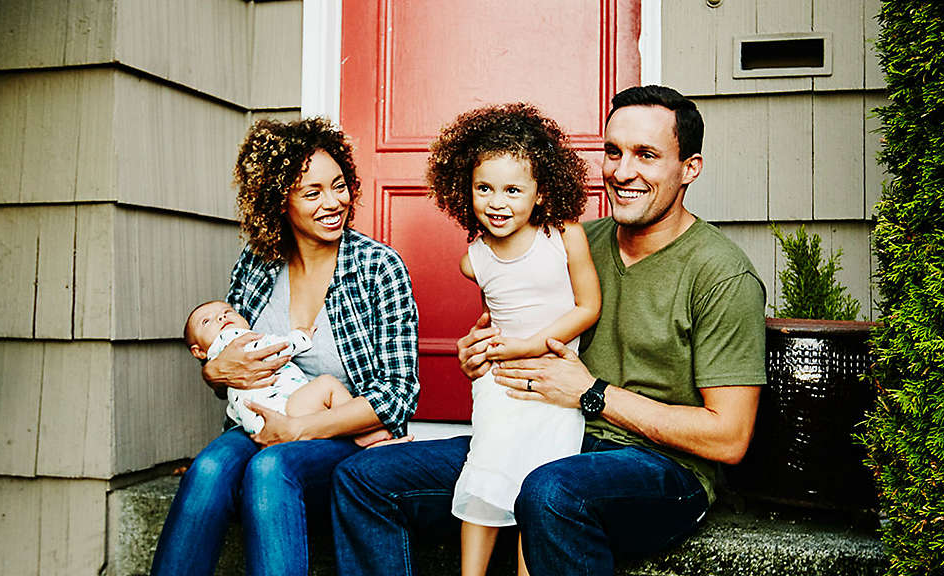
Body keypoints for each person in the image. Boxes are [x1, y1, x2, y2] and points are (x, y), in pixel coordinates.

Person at [331, 85, 766, 575]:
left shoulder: (721, 274)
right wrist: (479, 353)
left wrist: (592, 394)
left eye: (646, 155)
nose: (623, 172)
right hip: (547, 434)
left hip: (660, 468)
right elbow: (505, 320)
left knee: (548, 489)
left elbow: (729, 437)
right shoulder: (567, 240)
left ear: (690, 168)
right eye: (613, 152)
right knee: (364, 477)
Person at [150, 117, 419, 576]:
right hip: (266, 417)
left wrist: (300, 431)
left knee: (272, 468)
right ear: (280, 201)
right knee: (211, 467)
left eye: (338, 186)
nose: (333, 203)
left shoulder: (378, 266)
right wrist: (214, 373)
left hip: (344, 434)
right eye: (311, 193)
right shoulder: (258, 264)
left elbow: (398, 395)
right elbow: (230, 362)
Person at [426, 103, 601, 576]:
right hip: (499, 383)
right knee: (487, 470)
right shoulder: (475, 258)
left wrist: (528, 347)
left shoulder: (564, 236)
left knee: (538, 481)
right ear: (466, 190)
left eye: (512, 190)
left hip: (555, 382)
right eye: (484, 188)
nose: (497, 202)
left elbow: (587, 308)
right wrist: (489, 349)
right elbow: (493, 315)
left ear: (541, 194)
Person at [184, 299, 391, 446]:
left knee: (211, 466)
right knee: (327, 384)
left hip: (260, 430)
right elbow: (276, 347)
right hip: (289, 411)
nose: (222, 317)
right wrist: (301, 338)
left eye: (227, 311)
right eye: (206, 321)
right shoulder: (237, 340)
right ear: (198, 351)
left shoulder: (222, 360)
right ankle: (361, 433)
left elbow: (233, 407)